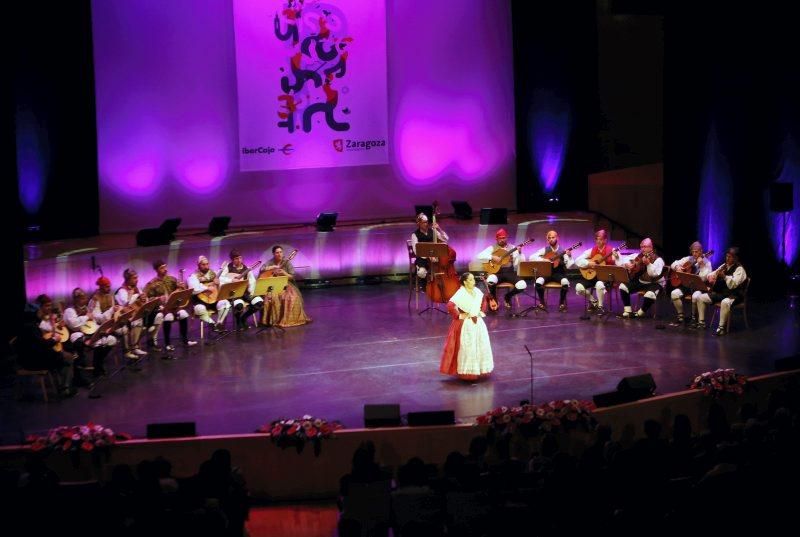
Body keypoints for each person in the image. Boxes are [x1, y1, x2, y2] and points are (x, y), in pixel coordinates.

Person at [439, 272, 494, 381]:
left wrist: (481, 311)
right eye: (471, 280)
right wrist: (459, 315)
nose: (474, 282)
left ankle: (479, 368)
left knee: (479, 345)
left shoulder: (477, 291)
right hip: (467, 324)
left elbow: (483, 301)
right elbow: (450, 305)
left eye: (473, 279)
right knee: (468, 346)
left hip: (478, 323)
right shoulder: (460, 293)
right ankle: (468, 371)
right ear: (465, 282)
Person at [15, 301, 76, 397]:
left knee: (61, 355)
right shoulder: (31, 327)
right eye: (39, 311)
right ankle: (65, 388)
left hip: (26, 358)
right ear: (34, 313)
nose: (40, 313)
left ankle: (61, 386)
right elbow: (41, 344)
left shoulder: (26, 325)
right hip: (33, 362)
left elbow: (38, 343)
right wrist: (54, 340)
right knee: (68, 357)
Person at [692, 247, 747, 336]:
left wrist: (724, 276)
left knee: (725, 302)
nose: (727, 258)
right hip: (722, 293)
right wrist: (711, 276)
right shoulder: (724, 266)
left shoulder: (740, 269)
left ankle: (721, 328)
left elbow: (733, 284)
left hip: (734, 295)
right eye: (727, 256)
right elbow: (713, 273)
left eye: (730, 257)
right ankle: (701, 323)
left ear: (736, 258)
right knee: (700, 297)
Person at [144, 260, 197, 352]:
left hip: (173, 306)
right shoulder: (152, 283)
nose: (165, 269)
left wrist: (182, 287)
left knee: (184, 314)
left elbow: (180, 293)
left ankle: (185, 340)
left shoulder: (172, 279)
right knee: (168, 317)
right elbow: (147, 298)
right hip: (162, 309)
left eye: (165, 267)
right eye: (162, 268)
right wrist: (158, 298)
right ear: (156, 270)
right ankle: (168, 343)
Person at [63, 287, 116, 377]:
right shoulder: (69, 311)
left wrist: (112, 310)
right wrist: (86, 317)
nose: (86, 299)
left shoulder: (87, 309)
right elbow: (74, 325)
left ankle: (98, 363)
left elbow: (100, 317)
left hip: (92, 333)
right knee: (96, 343)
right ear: (76, 299)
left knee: (111, 340)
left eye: (85, 297)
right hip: (78, 335)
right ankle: (94, 368)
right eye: (83, 298)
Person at [259, 245, 311, 327]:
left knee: (290, 297)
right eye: (277, 252)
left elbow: (292, 276)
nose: (279, 254)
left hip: (286, 284)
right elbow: (262, 269)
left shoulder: (287, 262)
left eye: (280, 252)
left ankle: (288, 319)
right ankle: (272, 321)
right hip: (273, 284)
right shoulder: (270, 262)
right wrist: (273, 267)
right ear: (273, 254)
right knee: (271, 297)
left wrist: (284, 273)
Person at [477, 229, 526, 312]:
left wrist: (519, 253)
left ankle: (508, 296)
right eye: (500, 238)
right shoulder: (492, 248)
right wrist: (492, 257)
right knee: (491, 281)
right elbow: (479, 256)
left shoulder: (513, 248)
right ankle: (494, 300)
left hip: (510, 272)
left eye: (504, 238)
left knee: (522, 285)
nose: (502, 240)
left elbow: (519, 263)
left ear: (507, 238)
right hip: (497, 273)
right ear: (496, 239)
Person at [528, 230, 576, 312]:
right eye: (549, 238)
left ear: (557, 238)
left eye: (553, 237)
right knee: (537, 283)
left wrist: (570, 256)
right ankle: (542, 302)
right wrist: (544, 259)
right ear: (547, 240)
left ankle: (561, 303)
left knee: (565, 282)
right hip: (547, 273)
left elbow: (569, 266)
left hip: (559, 273)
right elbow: (531, 257)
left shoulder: (563, 250)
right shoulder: (545, 249)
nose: (551, 239)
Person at [617, 238, 665, 318]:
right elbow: (624, 260)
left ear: (651, 247)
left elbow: (654, 274)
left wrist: (648, 264)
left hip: (654, 283)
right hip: (641, 281)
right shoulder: (639, 256)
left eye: (645, 247)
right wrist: (627, 264)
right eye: (641, 247)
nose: (642, 249)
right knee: (623, 286)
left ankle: (640, 313)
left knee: (650, 294)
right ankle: (628, 311)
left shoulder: (658, 260)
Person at [115, 268, 156, 360]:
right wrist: (135, 296)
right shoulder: (121, 290)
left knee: (140, 320)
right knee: (135, 322)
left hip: (135, 314)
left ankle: (135, 346)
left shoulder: (137, 288)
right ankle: (128, 350)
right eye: (134, 278)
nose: (137, 280)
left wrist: (146, 298)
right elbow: (126, 304)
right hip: (123, 317)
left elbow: (143, 299)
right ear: (128, 279)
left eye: (137, 277)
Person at [668, 241, 713, 325]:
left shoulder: (707, 262)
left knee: (695, 296)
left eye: (696, 251)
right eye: (693, 251)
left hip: (699, 287)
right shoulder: (689, 259)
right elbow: (673, 263)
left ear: (701, 251)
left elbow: (704, 278)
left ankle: (694, 318)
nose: (694, 254)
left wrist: (702, 266)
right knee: (674, 293)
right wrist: (677, 267)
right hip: (687, 286)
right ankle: (681, 316)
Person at [573, 229, 615, 315]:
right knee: (578, 287)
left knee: (599, 284)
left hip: (605, 277)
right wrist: (589, 263)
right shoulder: (591, 250)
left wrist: (617, 258)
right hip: (592, 276)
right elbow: (577, 260)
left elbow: (619, 264)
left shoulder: (612, 250)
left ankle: (600, 307)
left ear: (605, 240)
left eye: (600, 239)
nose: (598, 241)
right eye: (597, 239)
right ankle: (593, 301)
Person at [220, 249, 263, 330]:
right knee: (239, 305)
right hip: (234, 294)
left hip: (245, 292)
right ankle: (238, 321)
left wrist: (251, 291)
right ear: (232, 260)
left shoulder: (247, 269)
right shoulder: (228, 268)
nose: (239, 260)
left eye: (240, 258)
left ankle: (244, 318)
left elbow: (252, 281)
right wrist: (231, 280)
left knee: (259, 303)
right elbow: (221, 279)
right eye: (236, 258)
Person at [188, 255, 230, 332]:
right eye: (203, 264)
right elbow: (193, 289)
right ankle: (212, 324)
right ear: (198, 265)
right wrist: (207, 288)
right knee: (199, 309)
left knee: (225, 303)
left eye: (207, 264)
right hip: (200, 301)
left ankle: (219, 324)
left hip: (213, 299)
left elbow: (218, 289)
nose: (206, 266)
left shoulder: (213, 274)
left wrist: (218, 284)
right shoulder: (194, 276)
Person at [410, 212, 449, 284]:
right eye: (424, 222)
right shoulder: (414, 234)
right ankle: (426, 287)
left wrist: (439, 229)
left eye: (427, 222)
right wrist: (428, 256)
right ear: (419, 223)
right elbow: (416, 251)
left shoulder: (433, 230)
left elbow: (446, 239)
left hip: (435, 257)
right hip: (422, 258)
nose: (426, 224)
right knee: (421, 273)